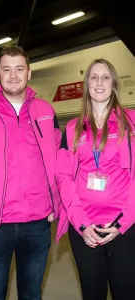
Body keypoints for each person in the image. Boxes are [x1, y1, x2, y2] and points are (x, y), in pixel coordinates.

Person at [0, 45, 61, 300]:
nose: (13, 75)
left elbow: (60, 160)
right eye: (7, 69)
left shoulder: (46, 111)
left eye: (19, 69)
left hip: (38, 221)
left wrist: (56, 202)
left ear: (29, 73)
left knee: (31, 293)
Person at [56, 58, 135, 300]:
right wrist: (81, 223)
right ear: (86, 84)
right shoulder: (71, 129)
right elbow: (63, 175)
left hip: (124, 227)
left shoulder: (131, 122)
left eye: (105, 77)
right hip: (84, 227)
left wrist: (121, 223)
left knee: (126, 292)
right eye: (94, 77)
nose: (99, 82)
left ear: (114, 84)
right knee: (92, 293)